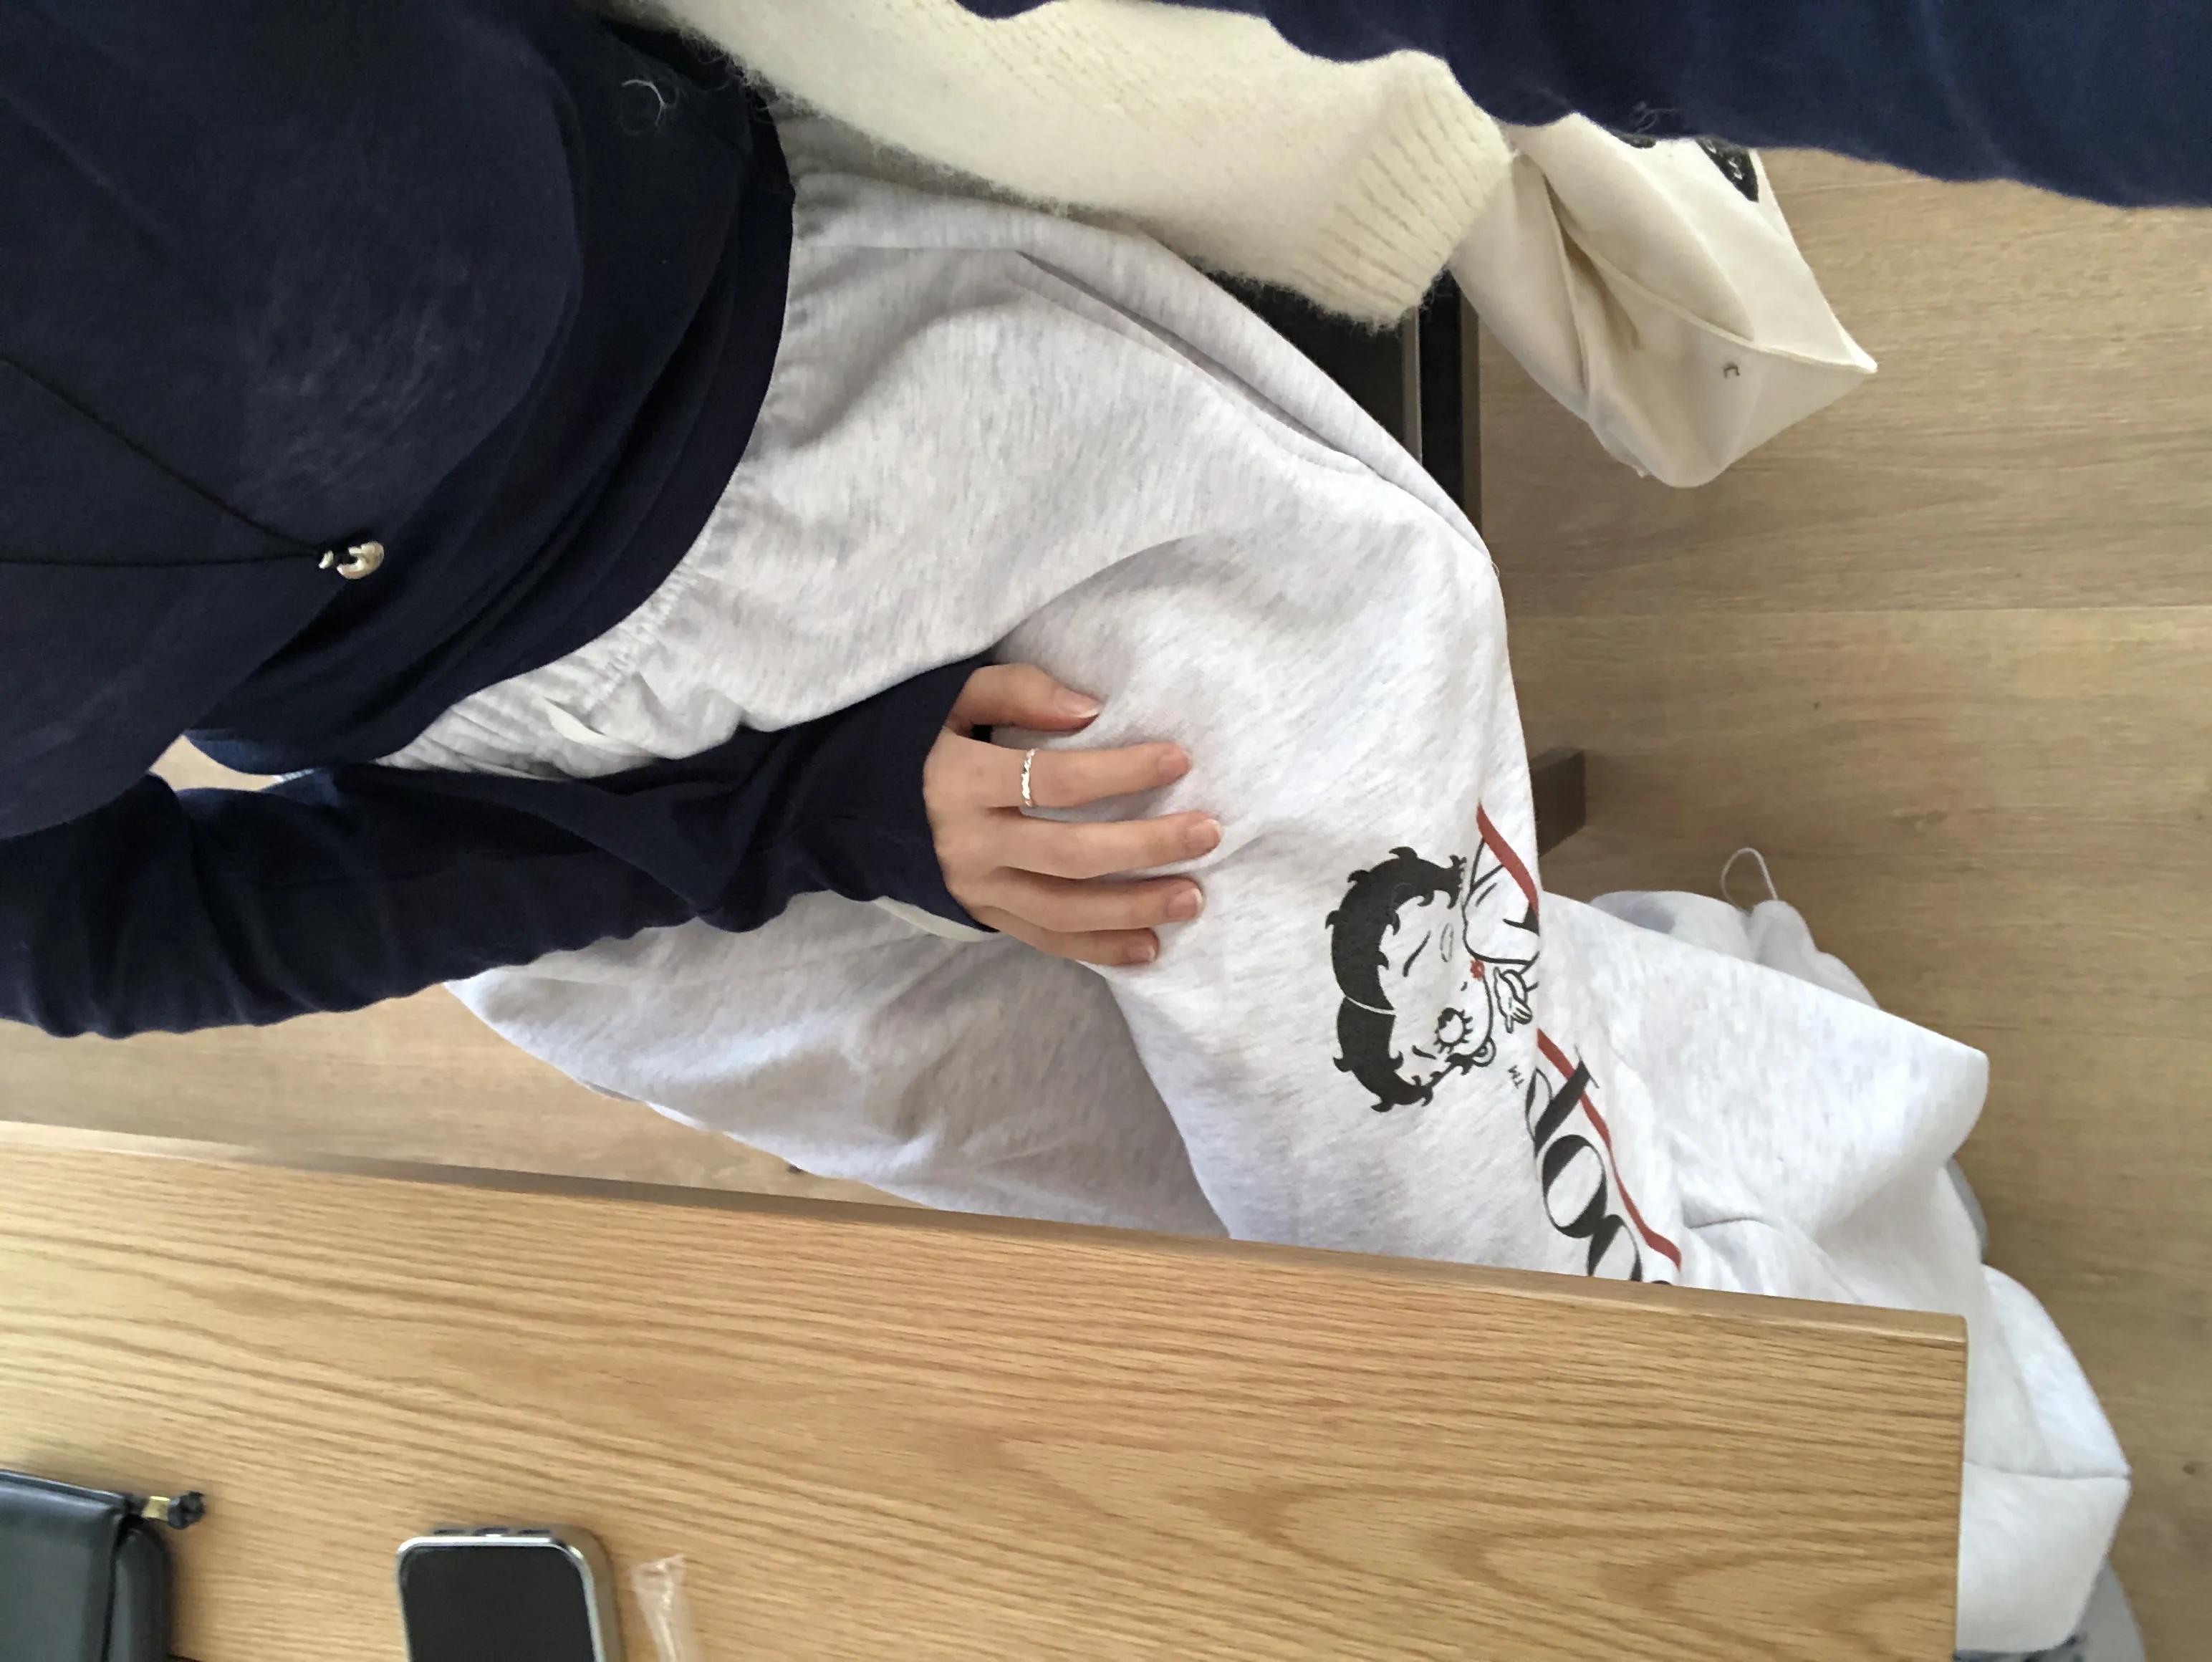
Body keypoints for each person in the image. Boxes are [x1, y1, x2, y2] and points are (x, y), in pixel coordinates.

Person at [0, 3, 2131, 1654]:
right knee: (1184, 1218)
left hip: (884, 425)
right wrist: (796, 818)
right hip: (539, 824)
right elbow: (78, 932)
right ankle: (1778, 1146)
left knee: (1449, 1274)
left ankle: (1942, 1560)